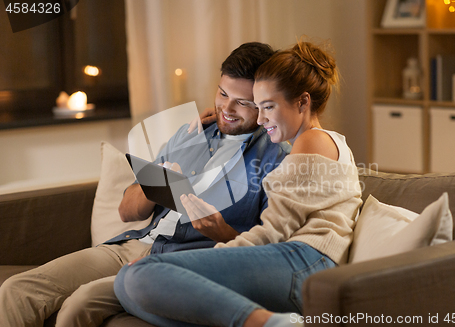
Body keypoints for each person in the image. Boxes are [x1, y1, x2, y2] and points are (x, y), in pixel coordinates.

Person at [0, 42, 291, 327]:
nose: (226, 108)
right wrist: (160, 182)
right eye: (222, 93)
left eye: (243, 102)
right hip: (136, 243)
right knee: (16, 289)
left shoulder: (276, 159)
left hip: (184, 261)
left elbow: (268, 252)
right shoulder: (192, 133)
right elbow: (127, 211)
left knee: (78, 305)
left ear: (266, 103)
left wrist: (222, 232)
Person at [114, 40, 363, 327]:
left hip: (303, 262)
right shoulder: (320, 142)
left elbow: (274, 232)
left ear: (303, 102)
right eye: (257, 107)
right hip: (292, 262)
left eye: (267, 106)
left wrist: (193, 263)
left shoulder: (311, 141)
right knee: (128, 289)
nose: (260, 118)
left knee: (137, 276)